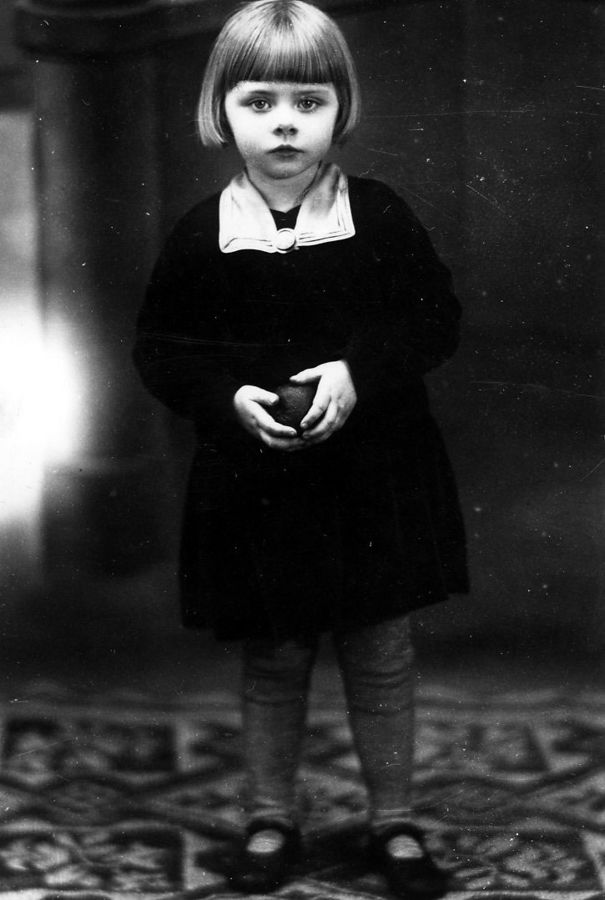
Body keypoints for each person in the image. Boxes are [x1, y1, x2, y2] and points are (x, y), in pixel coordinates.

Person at [133, 1, 468, 895]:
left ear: (340, 110)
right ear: (220, 111)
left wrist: (359, 372)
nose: (284, 123)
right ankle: (268, 816)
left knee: (380, 651)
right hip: (261, 483)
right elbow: (161, 352)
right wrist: (226, 398)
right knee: (275, 655)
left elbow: (434, 320)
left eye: (308, 102)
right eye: (260, 102)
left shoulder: (378, 216)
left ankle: (393, 822)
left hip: (372, 475)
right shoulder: (202, 234)